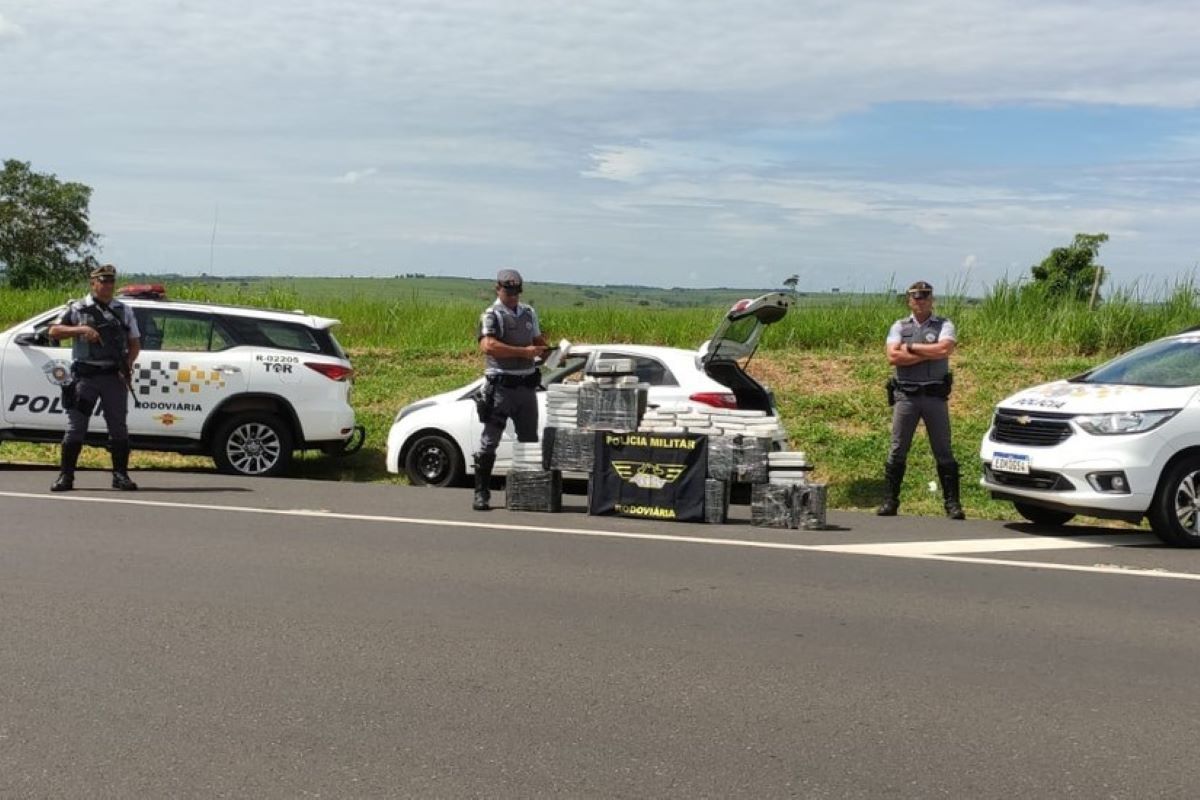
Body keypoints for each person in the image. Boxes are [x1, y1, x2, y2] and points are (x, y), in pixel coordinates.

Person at [48, 263, 142, 492]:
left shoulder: (124, 310)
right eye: (103, 281)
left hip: (113, 376)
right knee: (76, 427)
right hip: (85, 376)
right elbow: (53, 331)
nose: (107, 286)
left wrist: (127, 365)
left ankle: (120, 476)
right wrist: (80, 330)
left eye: (111, 281)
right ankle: (66, 477)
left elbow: (134, 343)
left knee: (118, 428)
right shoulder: (77, 308)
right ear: (93, 283)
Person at [877, 280, 964, 519]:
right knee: (897, 449)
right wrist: (928, 352)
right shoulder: (899, 326)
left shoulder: (944, 324)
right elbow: (893, 357)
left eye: (925, 296)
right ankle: (890, 501)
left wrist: (911, 349)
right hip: (906, 396)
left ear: (932, 300)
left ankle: (952, 504)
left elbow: (944, 350)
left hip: (935, 396)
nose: (920, 300)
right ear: (909, 300)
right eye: (916, 297)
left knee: (943, 450)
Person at [472, 269, 548, 511]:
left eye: (516, 292)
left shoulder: (529, 312)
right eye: (508, 291)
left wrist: (551, 352)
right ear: (498, 289)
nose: (513, 296)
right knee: (490, 440)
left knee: (528, 440)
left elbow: (538, 341)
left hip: (526, 386)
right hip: (501, 386)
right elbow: (489, 346)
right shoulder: (491, 315)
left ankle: (527, 493)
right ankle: (481, 493)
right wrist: (522, 352)